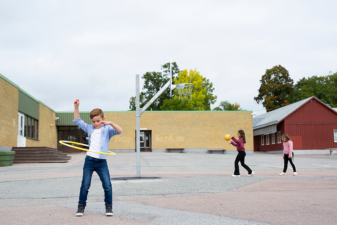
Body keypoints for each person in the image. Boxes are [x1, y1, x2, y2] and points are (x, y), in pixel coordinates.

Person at [73, 99, 122, 217]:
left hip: (102, 162)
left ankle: (108, 207)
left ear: (103, 120)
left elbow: (120, 131)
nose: (96, 123)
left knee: (107, 185)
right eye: (94, 121)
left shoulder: (108, 130)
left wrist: (111, 123)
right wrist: (76, 107)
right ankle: (81, 207)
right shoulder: (90, 128)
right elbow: (77, 121)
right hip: (89, 160)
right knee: (85, 185)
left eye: (98, 121)